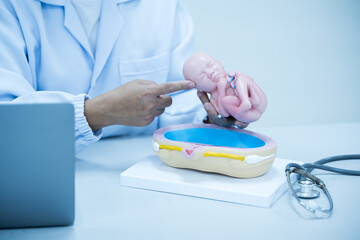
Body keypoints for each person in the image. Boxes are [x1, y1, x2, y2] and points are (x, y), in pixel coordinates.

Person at [0, 0, 242, 152]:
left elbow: (180, 97)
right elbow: (9, 120)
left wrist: (216, 113)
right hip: (50, 171)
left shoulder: (161, 6)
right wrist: (97, 112)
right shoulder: (11, 7)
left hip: (146, 174)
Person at [183, 52, 267, 124]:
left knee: (241, 78)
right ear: (200, 89)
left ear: (220, 63)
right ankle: (244, 104)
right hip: (245, 114)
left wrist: (237, 75)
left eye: (211, 65)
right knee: (225, 100)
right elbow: (224, 114)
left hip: (259, 101)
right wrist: (221, 90)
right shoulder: (214, 99)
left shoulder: (232, 76)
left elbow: (250, 80)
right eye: (202, 77)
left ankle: (246, 101)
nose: (210, 73)